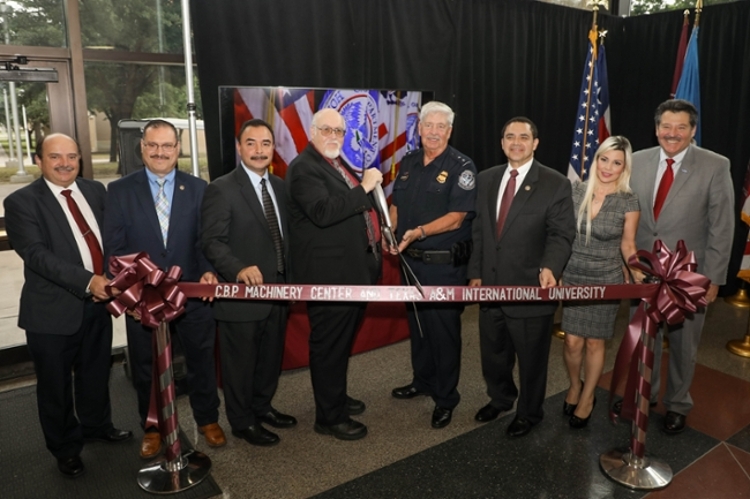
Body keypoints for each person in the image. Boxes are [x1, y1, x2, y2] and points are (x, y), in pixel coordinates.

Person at [4, 134, 132, 478]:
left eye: (72, 157)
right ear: (39, 159)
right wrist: (89, 281)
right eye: (56, 156)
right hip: (52, 312)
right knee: (55, 386)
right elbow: (36, 255)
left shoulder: (95, 192)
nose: (65, 163)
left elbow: (112, 238)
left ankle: (97, 426)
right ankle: (65, 448)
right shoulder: (21, 202)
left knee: (95, 372)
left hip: (98, 304)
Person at [103, 119, 225, 459]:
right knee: (146, 365)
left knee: (201, 358)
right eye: (152, 145)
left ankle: (207, 419)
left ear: (178, 149)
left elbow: (207, 240)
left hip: (192, 294)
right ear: (141, 147)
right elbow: (114, 248)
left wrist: (210, 272)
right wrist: (123, 291)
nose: (160, 152)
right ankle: (153, 427)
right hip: (143, 297)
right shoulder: (120, 191)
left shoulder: (200, 188)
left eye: (167, 146)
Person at [629, 99, 733, 434]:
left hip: (689, 276)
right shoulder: (636, 161)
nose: (672, 134)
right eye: (666, 127)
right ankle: (643, 396)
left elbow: (722, 225)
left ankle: (677, 404)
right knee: (644, 339)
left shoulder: (715, 165)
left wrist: (714, 277)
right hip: (643, 272)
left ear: (693, 130)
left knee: (684, 344)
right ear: (657, 128)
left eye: (681, 127)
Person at [467, 117, 575, 438]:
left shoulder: (555, 183)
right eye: (510, 137)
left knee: (531, 360)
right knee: (493, 353)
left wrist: (550, 267)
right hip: (490, 288)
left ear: (535, 143)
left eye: (524, 137)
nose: (516, 142)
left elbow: (561, 235)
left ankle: (530, 413)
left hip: (531, 290)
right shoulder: (485, 179)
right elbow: (479, 232)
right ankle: (500, 398)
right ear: (502, 143)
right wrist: (475, 273)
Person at [286, 108, 383, 441]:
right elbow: (323, 213)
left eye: (339, 131)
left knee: (341, 344)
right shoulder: (303, 169)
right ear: (312, 132)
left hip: (352, 273)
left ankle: (335, 397)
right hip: (329, 278)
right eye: (326, 129)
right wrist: (365, 187)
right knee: (329, 346)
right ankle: (329, 417)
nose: (333, 136)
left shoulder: (335, 163)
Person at [201, 119, 296, 447]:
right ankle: (242, 422)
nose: (259, 150)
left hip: (279, 292)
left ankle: (262, 406)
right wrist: (238, 268)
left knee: (270, 358)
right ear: (239, 148)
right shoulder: (221, 188)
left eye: (266, 143)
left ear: (273, 148)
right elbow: (212, 242)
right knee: (240, 365)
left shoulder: (281, 187)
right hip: (241, 297)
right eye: (251, 143)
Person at [387, 101, 477, 429]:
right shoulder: (408, 162)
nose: (434, 132)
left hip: (443, 268)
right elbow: (396, 205)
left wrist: (419, 232)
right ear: (420, 129)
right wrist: (390, 230)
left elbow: (456, 220)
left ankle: (446, 397)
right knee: (419, 328)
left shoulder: (461, 167)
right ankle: (422, 381)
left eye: (442, 127)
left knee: (444, 334)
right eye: (429, 126)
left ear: (450, 131)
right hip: (410, 264)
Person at [561, 136, 641, 429]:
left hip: (606, 278)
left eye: (616, 162)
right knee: (571, 341)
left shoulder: (628, 199)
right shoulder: (575, 190)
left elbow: (629, 245)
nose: (608, 167)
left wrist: (640, 277)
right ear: (595, 160)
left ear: (624, 168)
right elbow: (561, 235)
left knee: (594, 342)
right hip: (573, 274)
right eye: (604, 159)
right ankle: (573, 385)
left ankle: (587, 397)